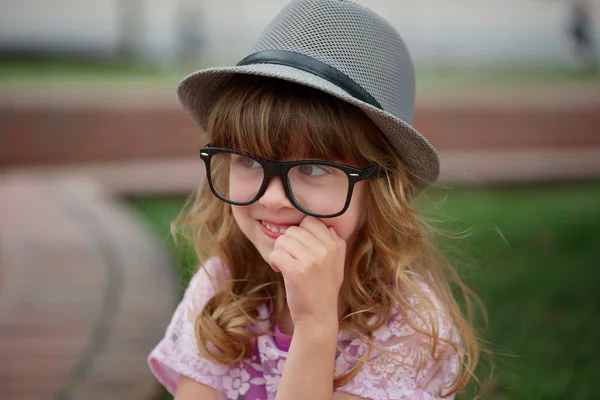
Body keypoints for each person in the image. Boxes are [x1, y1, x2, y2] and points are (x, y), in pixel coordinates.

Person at [148, 0, 484, 399]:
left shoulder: (407, 325)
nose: (272, 199)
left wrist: (316, 327)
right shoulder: (223, 286)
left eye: (311, 169)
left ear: (381, 187)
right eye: (247, 161)